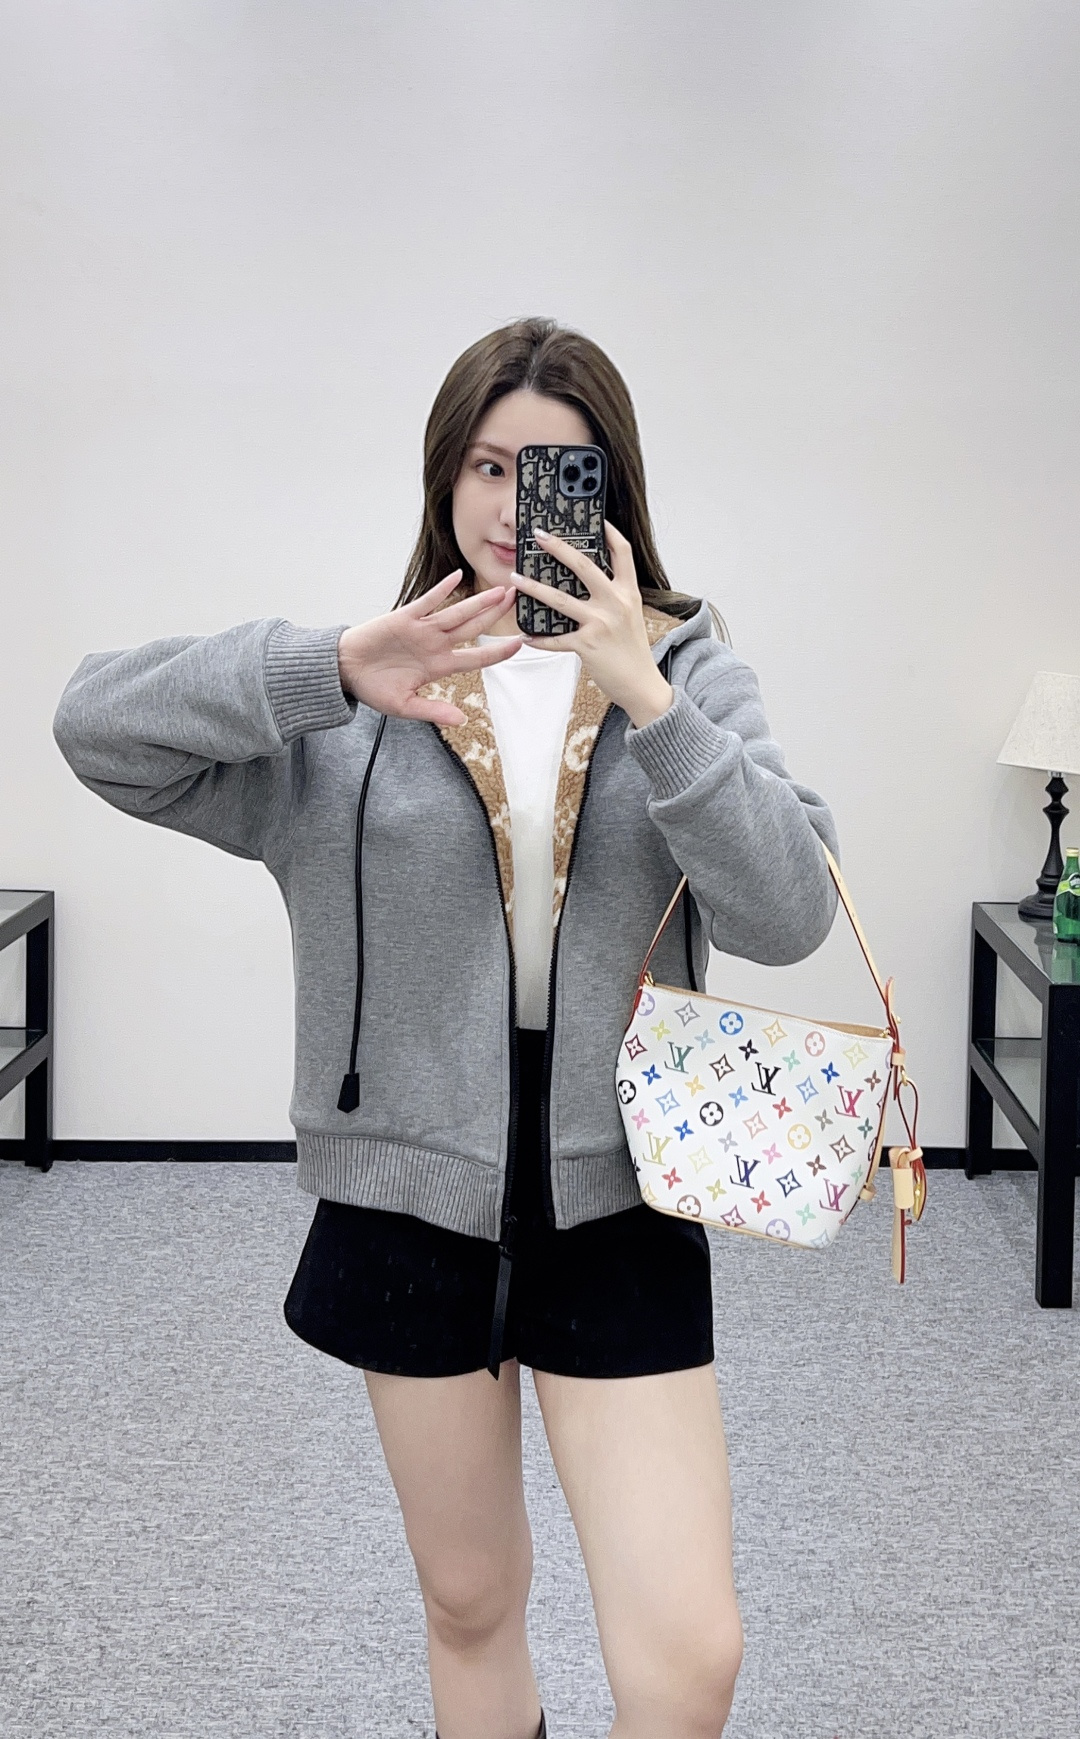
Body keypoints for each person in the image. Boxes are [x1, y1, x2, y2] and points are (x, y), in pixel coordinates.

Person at [53, 316, 840, 1739]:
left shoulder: (689, 674)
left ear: (610, 487)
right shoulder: (362, 689)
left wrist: (649, 696)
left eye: (554, 469)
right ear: (445, 478)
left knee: (689, 1657)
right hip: (408, 1199)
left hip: (621, 1196)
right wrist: (323, 667)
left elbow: (788, 913)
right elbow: (94, 727)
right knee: (469, 1601)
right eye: (486, 465)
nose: (513, 503)